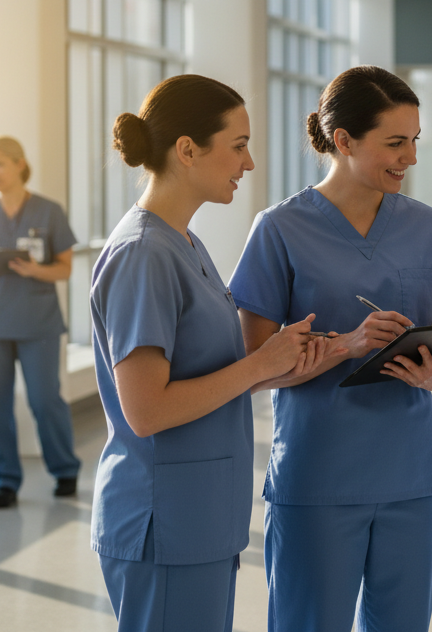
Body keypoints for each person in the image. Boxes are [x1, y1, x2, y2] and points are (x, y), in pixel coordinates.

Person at [231, 66, 432, 632]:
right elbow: (252, 369)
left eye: (414, 140)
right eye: (395, 143)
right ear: (343, 140)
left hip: (411, 475)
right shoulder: (280, 229)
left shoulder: (428, 227)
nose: (409, 157)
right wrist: (347, 345)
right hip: (318, 475)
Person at [90, 75, 325, 631]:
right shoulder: (143, 254)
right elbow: (147, 411)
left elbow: (212, 375)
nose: (248, 164)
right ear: (188, 150)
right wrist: (258, 366)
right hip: (163, 520)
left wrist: (290, 363)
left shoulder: (185, 244)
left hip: (197, 517)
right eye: (238, 145)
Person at [0, 136, 82, 509]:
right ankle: (4, 480)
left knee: (45, 401)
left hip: (36, 323)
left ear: (19, 164)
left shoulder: (49, 211)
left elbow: (65, 268)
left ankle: (64, 469)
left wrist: (33, 270)